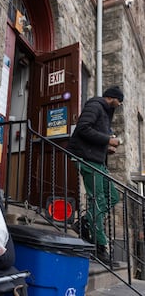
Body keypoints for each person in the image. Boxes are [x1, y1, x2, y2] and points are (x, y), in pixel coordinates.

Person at [67, 86, 124, 264]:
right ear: (112, 97)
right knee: (98, 199)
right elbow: (83, 128)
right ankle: (100, 247)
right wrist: (108, 140)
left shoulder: (106, 113)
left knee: (112, 197)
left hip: (97, 160)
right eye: (119, 101)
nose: (120, 104)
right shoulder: (95, 105)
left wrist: (107, 147)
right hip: (86, 159)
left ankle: (84, 222)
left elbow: (94, 136)